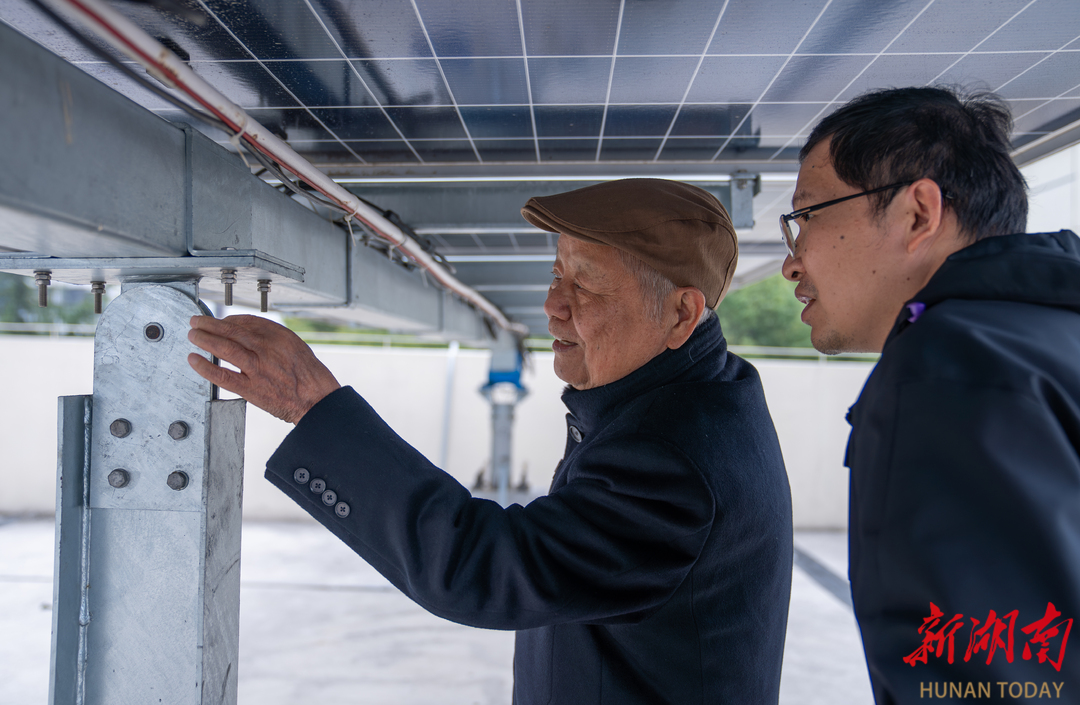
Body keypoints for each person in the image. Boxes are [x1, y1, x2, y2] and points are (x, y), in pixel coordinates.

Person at [187, 178, 793, 704]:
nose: (552, 305)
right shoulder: (705, 393)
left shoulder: (671, 450)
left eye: (586, 285)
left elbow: (486, 568)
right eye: (557, 274)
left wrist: (312, 406)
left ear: (682, 314)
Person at [782, 86, 1080, 702]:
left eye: (807, 216)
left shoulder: (949, 372)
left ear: (918, 213)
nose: (792, 262)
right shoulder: (1051, 336)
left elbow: (1001, 683)